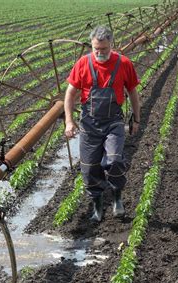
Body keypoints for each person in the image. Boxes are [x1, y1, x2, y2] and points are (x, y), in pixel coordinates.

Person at [64, 25, 141, 222]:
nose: (99, 53)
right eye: (95, 49)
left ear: (111, 45)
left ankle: (117, 197)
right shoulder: (83, 64)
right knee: (90, 168)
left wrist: (136, 119)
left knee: (114, 161)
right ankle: (97, 207)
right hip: (89, 124)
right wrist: (69, 121)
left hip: (114, 122)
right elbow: (70, 93)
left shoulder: (123, 63)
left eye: (103, 49)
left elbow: (132, 92)